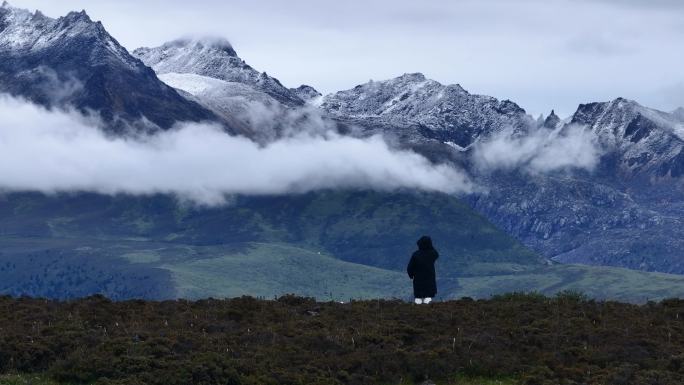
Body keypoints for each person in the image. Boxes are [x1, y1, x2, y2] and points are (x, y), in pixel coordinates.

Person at [407, 235, 438, 304]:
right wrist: (430, 246)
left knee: (418, 297)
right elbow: (436, 254)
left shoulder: (415, 254)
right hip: (429, 279)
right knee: (428, 296)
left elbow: (410, 267)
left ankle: (417, 308)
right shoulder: (432, 254)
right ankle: (428, 309)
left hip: (418, 280)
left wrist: (411, 275)